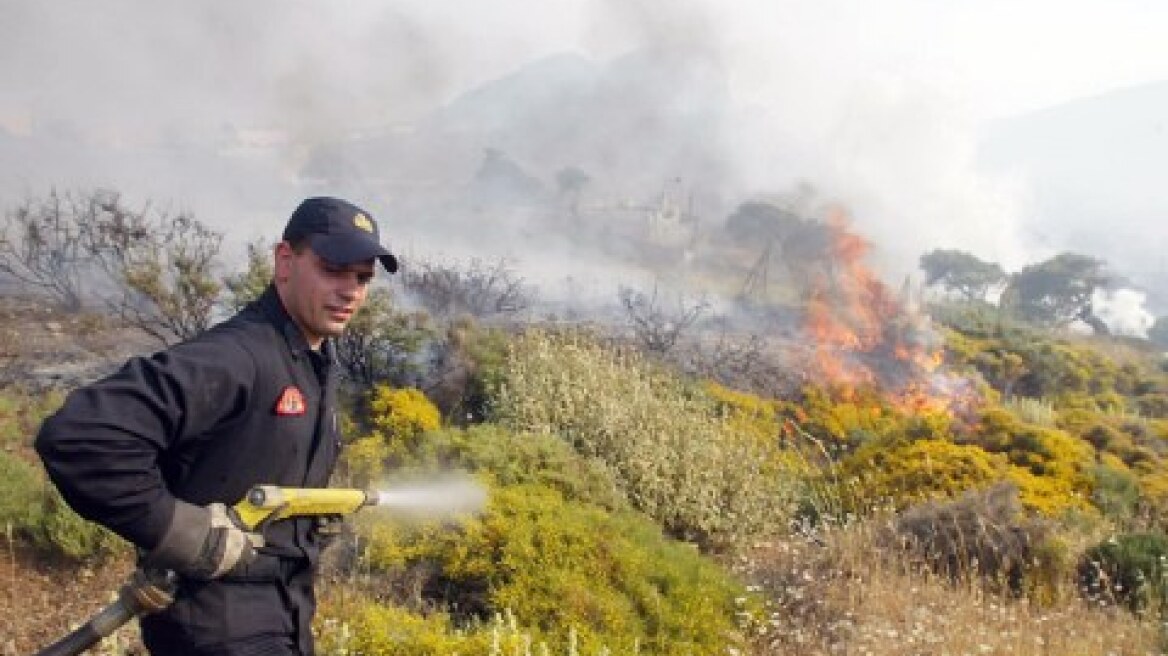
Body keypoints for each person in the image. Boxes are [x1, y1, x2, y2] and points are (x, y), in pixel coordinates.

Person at [35, 196, 398, 656]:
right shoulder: (237, 357)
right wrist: (179, 530)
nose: (352, 291)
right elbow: (79, 435)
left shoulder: (316, 360)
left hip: (284, 614)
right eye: (333, 269)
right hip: (217, 626)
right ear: (285, 261)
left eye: (363, 277)